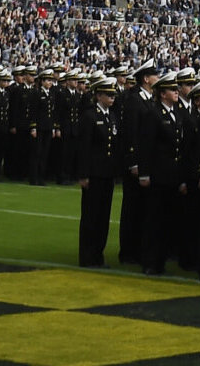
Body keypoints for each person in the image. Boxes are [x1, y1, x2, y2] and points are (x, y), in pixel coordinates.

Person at [78, 76, 121, 267]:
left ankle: (98, 254)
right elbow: (84, 147)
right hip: (93, 173)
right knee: (91, 216)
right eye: (108, 94)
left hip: (107, 173)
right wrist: (83, 174)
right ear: (98, 95)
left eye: (113, 94)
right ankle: (87, 256)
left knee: (103, 217)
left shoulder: (110, 116)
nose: (112, 98)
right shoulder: (89, 116)